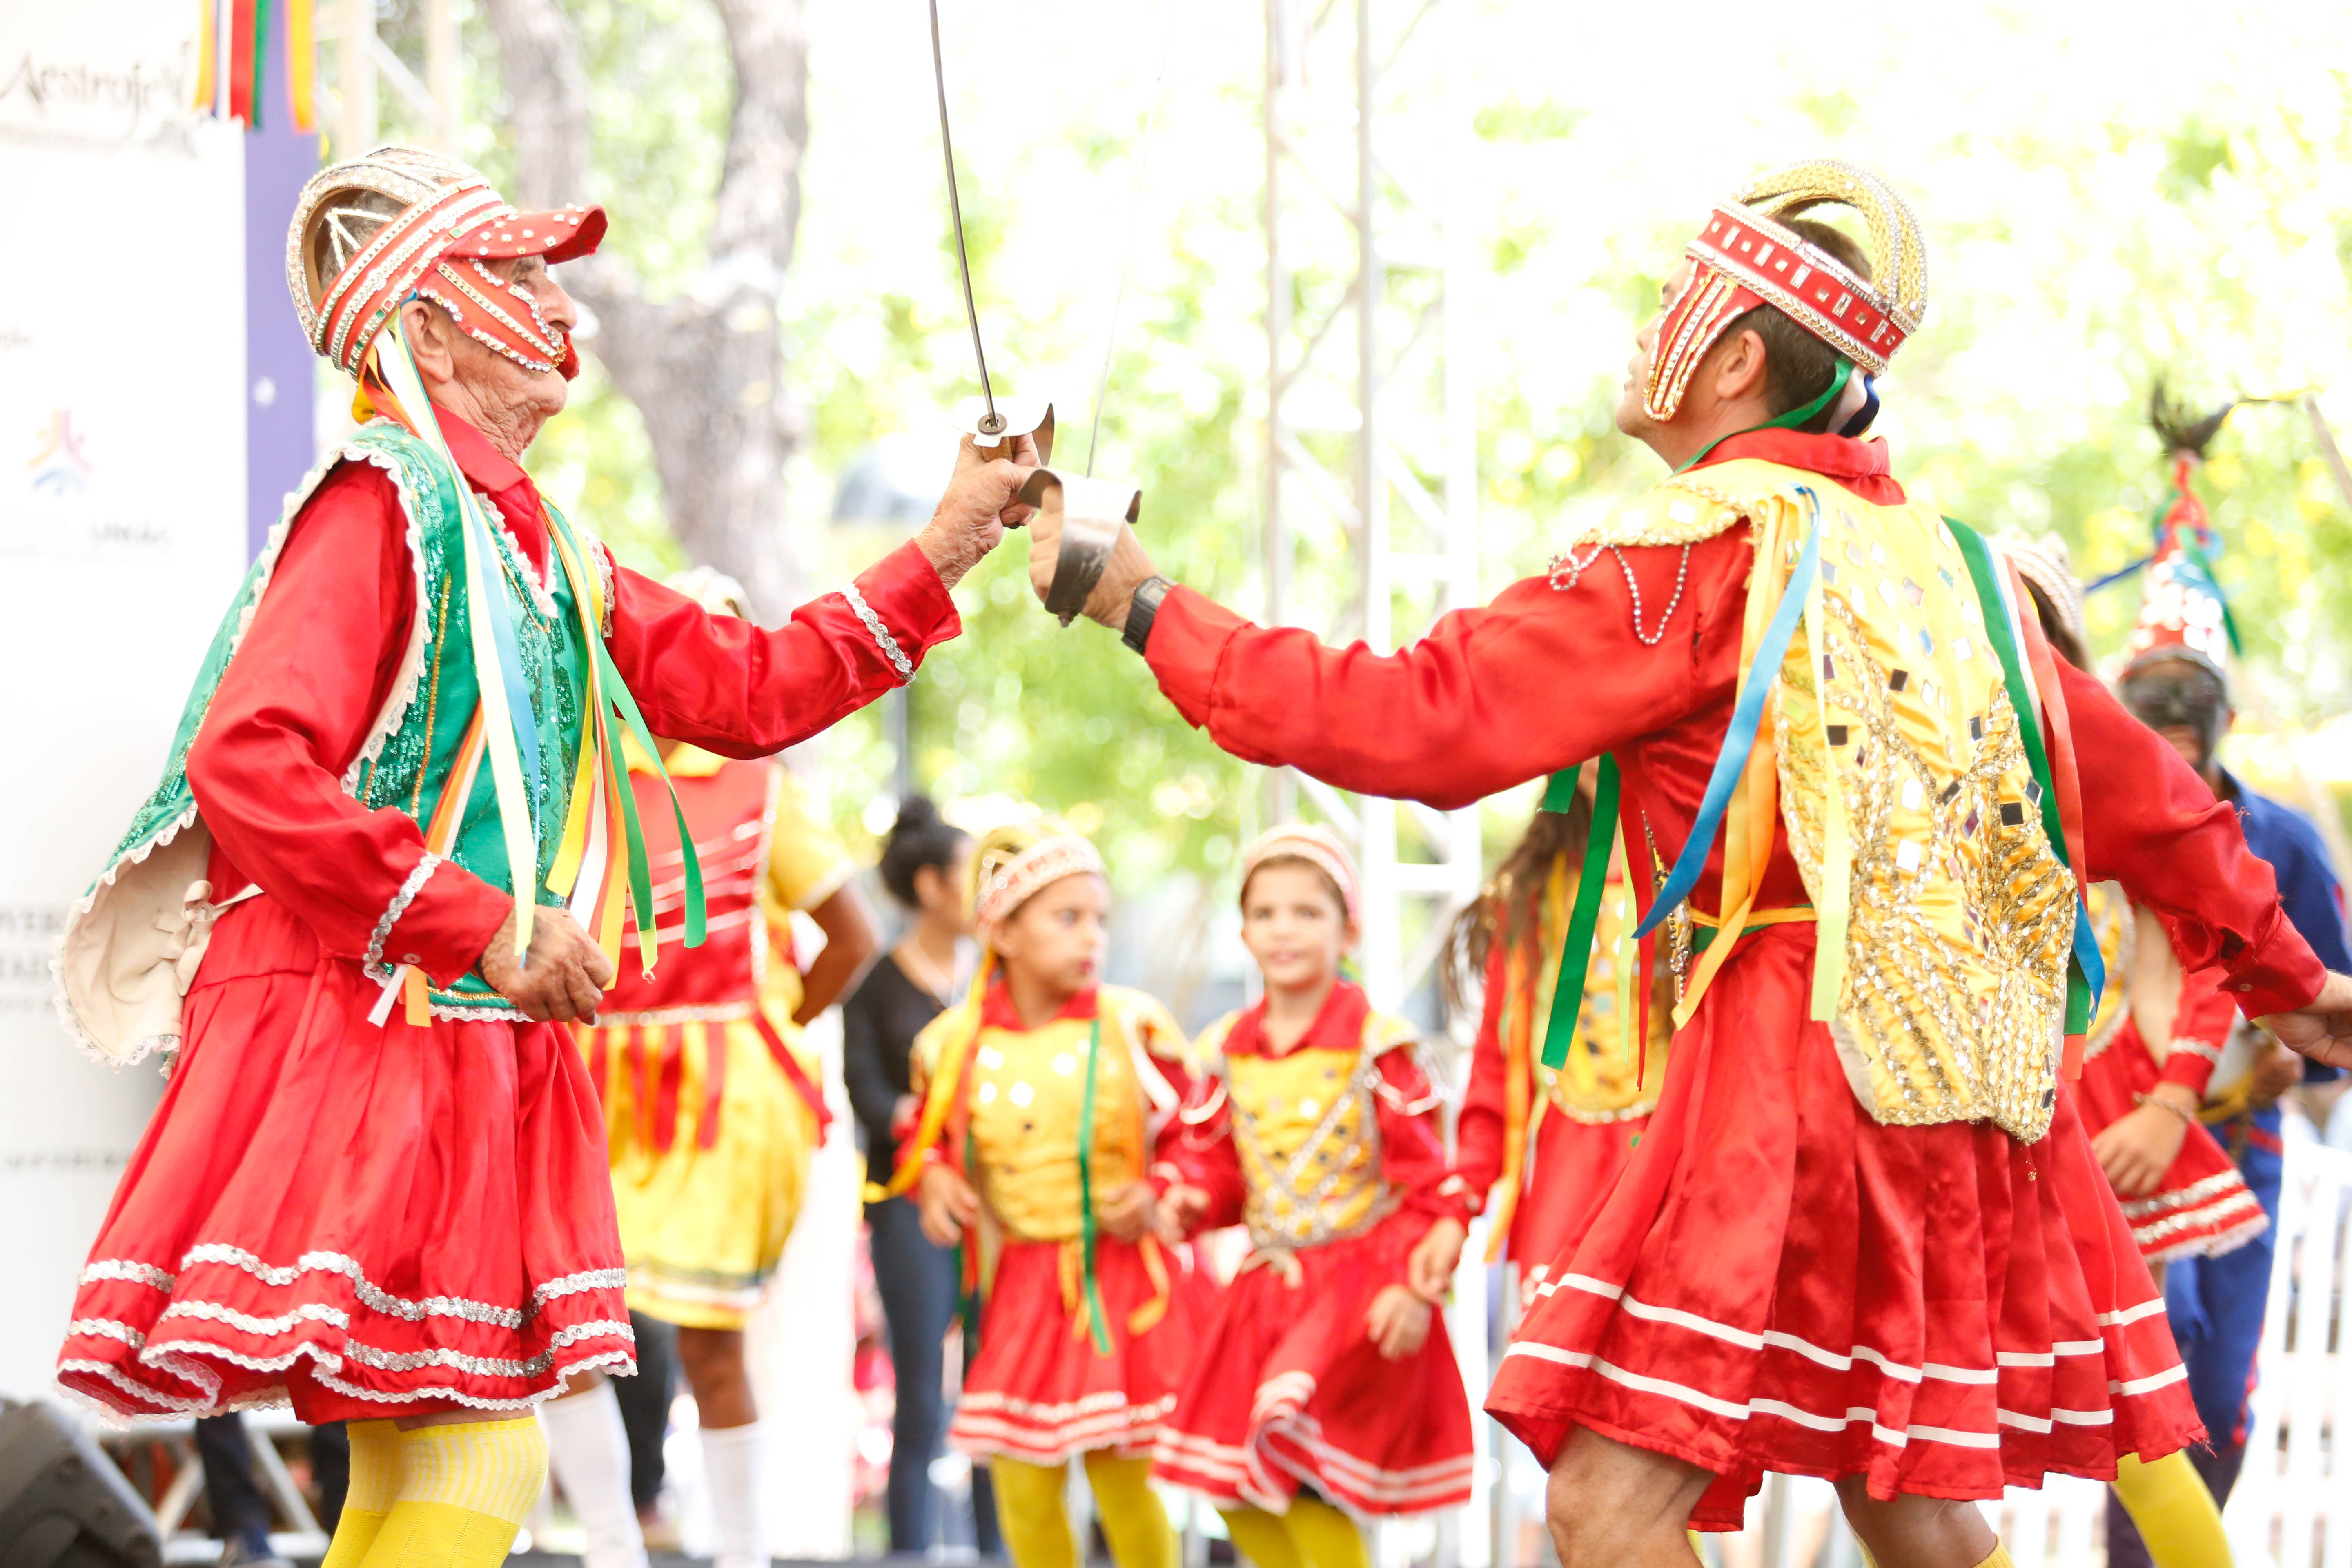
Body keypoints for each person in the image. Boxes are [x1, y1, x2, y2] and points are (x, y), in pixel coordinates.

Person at [1020, 159, 2352, 1566]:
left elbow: (1416, 720)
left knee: (1609, 1507)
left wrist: (1140, 600)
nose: (1644, 326)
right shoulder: (1957, 569)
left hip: (1789, 1074)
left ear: (1730, 360)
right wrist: (2295, 975)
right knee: (1903, 1494)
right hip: (1960, 1101)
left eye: (1672, 301)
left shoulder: (1697, 554)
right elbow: (2151, 804)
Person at [53, 144, 1029, 1568]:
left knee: (427, 1447)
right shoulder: (380, 501)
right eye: (515, 275)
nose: (560, 306)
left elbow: (745, 685)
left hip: (444, 1016)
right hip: (374, 1012)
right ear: (431, 328)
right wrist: (480, 922)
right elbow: (249, 759)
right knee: (480, 1450)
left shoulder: (538, 542)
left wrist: (940, 546)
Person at [541, 568, 882, 1568]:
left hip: (725, 1103)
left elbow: (852, 938)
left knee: (712, 1339)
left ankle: (741, 1551)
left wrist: (776, 1031)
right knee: (570, 1325)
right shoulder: (580, 787)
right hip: (596, 1089)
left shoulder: (767, 791)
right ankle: (610, 1546)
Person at [2102, 401, 2352, 1564]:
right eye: (2148, 711)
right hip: (2106, 1146)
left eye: (2189, 713)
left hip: (2235, 1145)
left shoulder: (2280, 843)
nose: (2171, 736)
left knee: (2213, 1396)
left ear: (2225, 719)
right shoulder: (2079, 830)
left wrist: (2269, 1067)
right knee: (2132, 1396)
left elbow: (2324, 1011)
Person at [872, 816, 1208, 1568]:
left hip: (1117, 1287)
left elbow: (1197, 1132)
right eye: (1068, 918)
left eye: (1100, 920)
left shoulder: (1132, 1028)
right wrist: (935, 1176)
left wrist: (1159, 1190)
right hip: (1021, 1290)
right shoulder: (953, 1045)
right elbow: (926, 1136)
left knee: (1123, 1479)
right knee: (1022, 1485)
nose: (1093, 938)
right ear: (1005, 933)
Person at [1151, 825, 1476, 1568]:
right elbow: (1218, 1169)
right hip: (1266, 1290)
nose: (1284, 929)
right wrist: (1190, 1199)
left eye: (1307, 912)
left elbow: (1429, 1188)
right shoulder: (1227, 1046)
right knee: (1233, 1486)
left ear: (1349, 929)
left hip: (1358, 1292)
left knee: (1299, 1476)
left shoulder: (1379, 1046)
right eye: (1265, 913)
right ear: (1243, 931)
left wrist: (1413, 1289)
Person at [1428, 785, 1678, 1310]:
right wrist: (1459, 1205)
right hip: (1566, 1187)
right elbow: (1495, 1073)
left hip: (1680, 1176)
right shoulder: (1530, 895)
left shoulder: (1710, 871)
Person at [842, 797, 1006, 1558]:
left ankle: (999, 1548)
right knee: (919, 1392)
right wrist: (932, 1116)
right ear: (932, 886)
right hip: (907, 1202)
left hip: (995, 1203)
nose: (988, 895)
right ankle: (911, 1549)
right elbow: (867, 1095)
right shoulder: (875, 985)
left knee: (995, 1385)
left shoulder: (998, 980)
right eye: (973, 877)